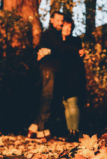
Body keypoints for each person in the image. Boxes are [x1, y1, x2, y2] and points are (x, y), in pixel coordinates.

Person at [27, 11, 82, 140]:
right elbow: (59, 47)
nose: (60, 23)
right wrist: (76, 50)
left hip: (56, 71)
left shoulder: (59, 35)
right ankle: (41, 129)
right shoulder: (50, 33)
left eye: (62, 21)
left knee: (50, 98)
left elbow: (59, 50)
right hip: (48, 68)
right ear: (52, 20)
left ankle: (34, 126)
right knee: (47, 97)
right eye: (57, 20)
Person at [60, 16, 86, 142]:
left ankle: (75, 132)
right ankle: (70, 132)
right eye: (66, 26)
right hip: (62, 75)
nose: (68, 29)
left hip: (74, 74)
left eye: (70, 27)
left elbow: (74, 55)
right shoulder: (57, 41)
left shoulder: (75, 41)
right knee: (66, 104)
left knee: (73, 102)